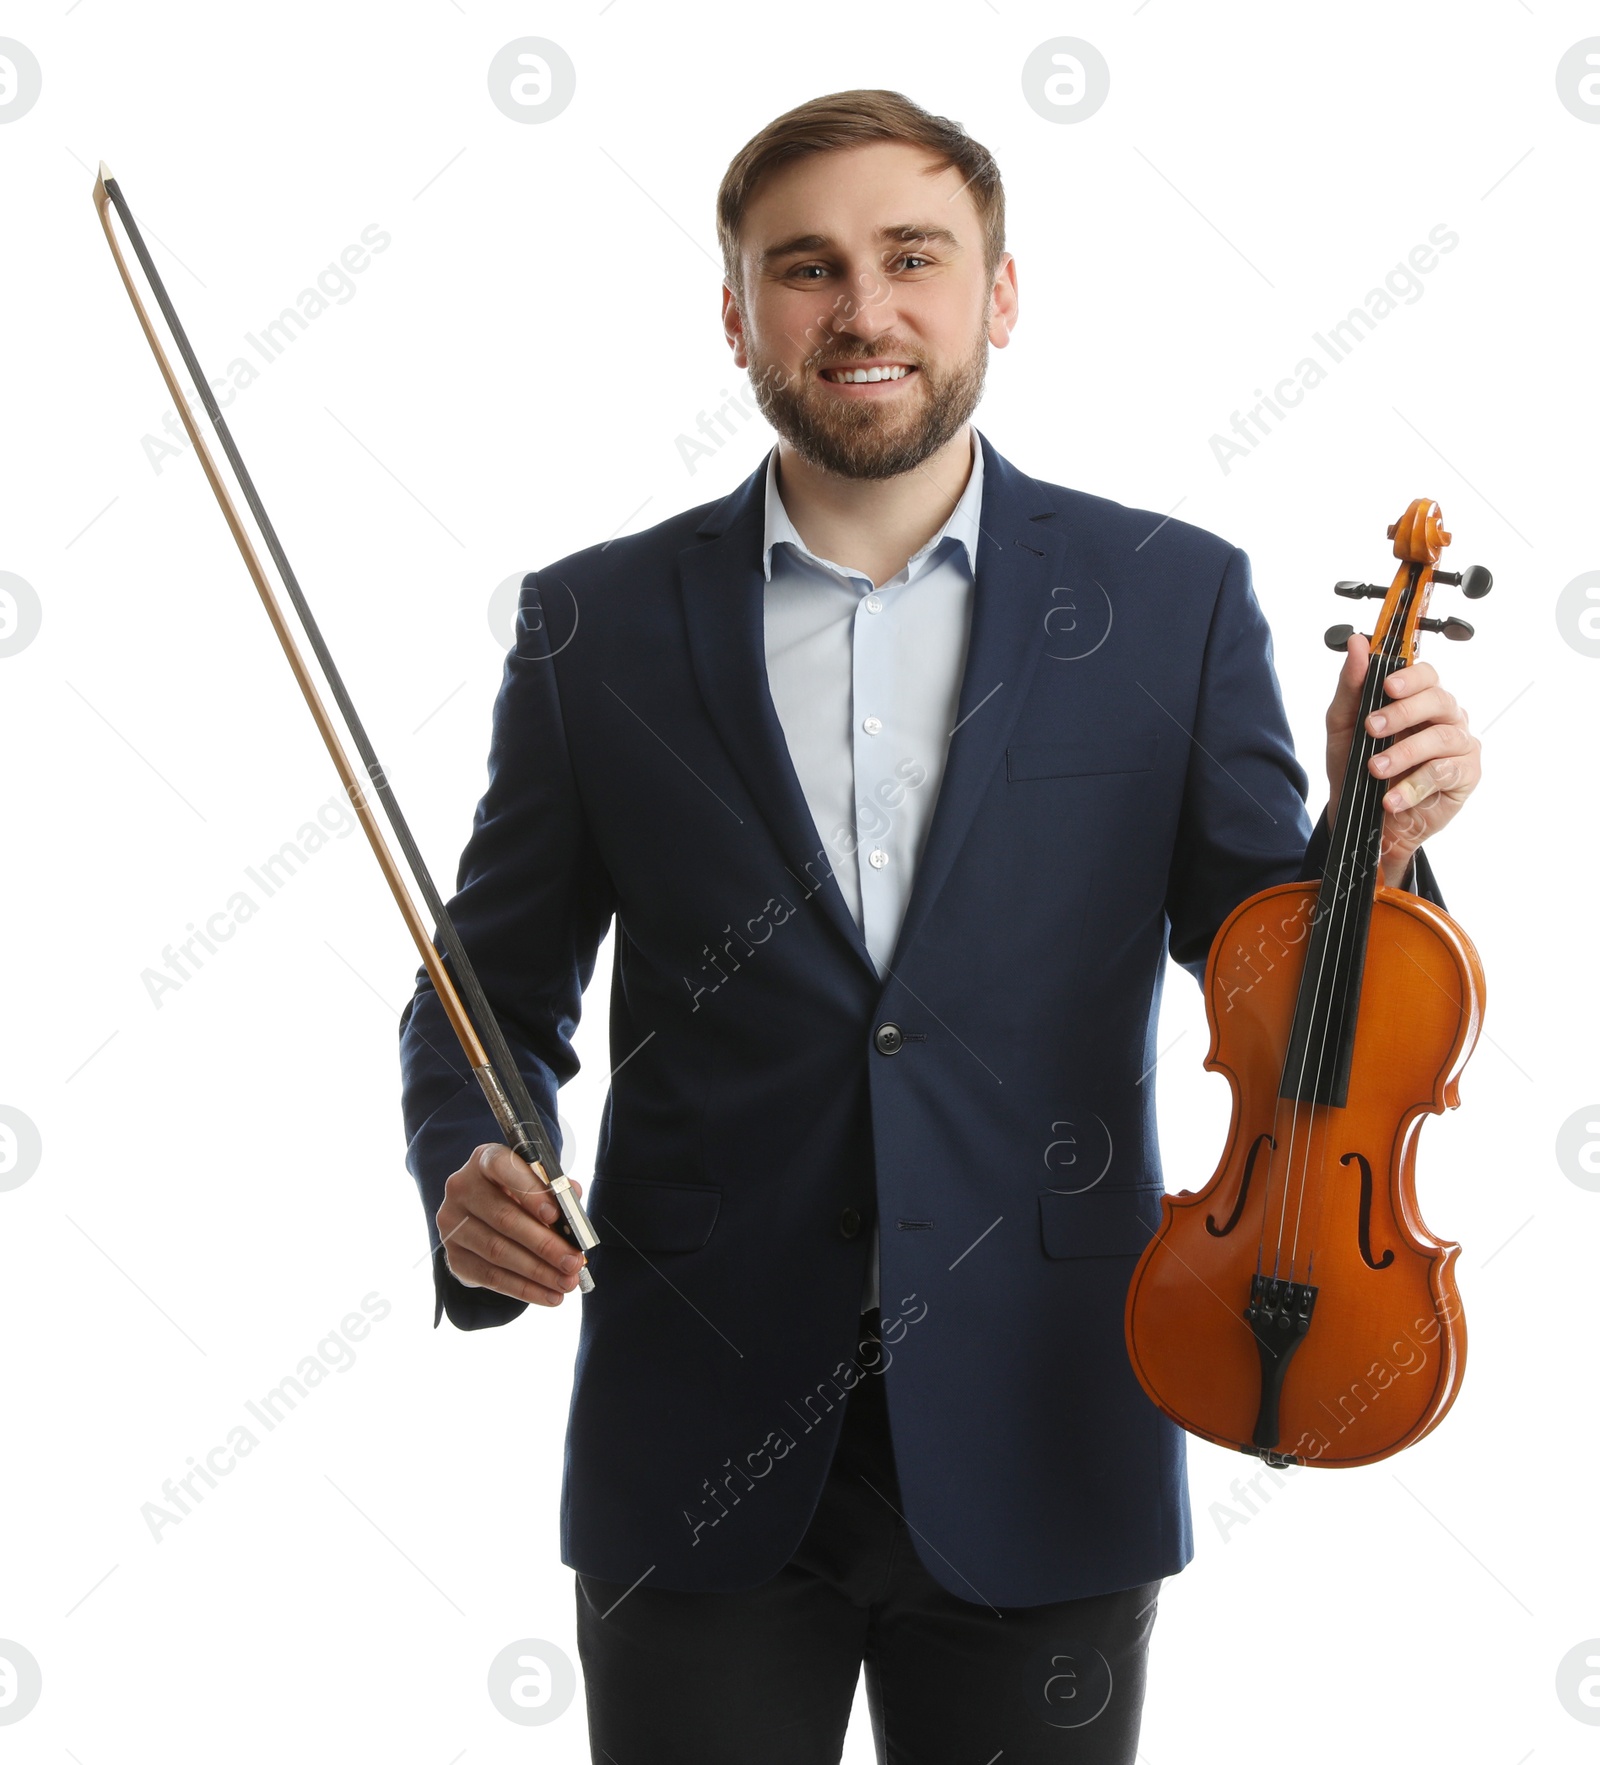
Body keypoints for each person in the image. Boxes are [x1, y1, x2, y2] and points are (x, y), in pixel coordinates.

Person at [398, 89, 1481, 1764]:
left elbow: (1270, 984)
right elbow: (487, 986)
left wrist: (1375, 831)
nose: (865, 309)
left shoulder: (1174, 599)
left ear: (1000, 294)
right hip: (694, 1435)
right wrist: (478, 1154)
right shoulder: (592, 621)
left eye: (915, 257)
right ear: (738, 312)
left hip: (1057, 1409)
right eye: (807, 267)